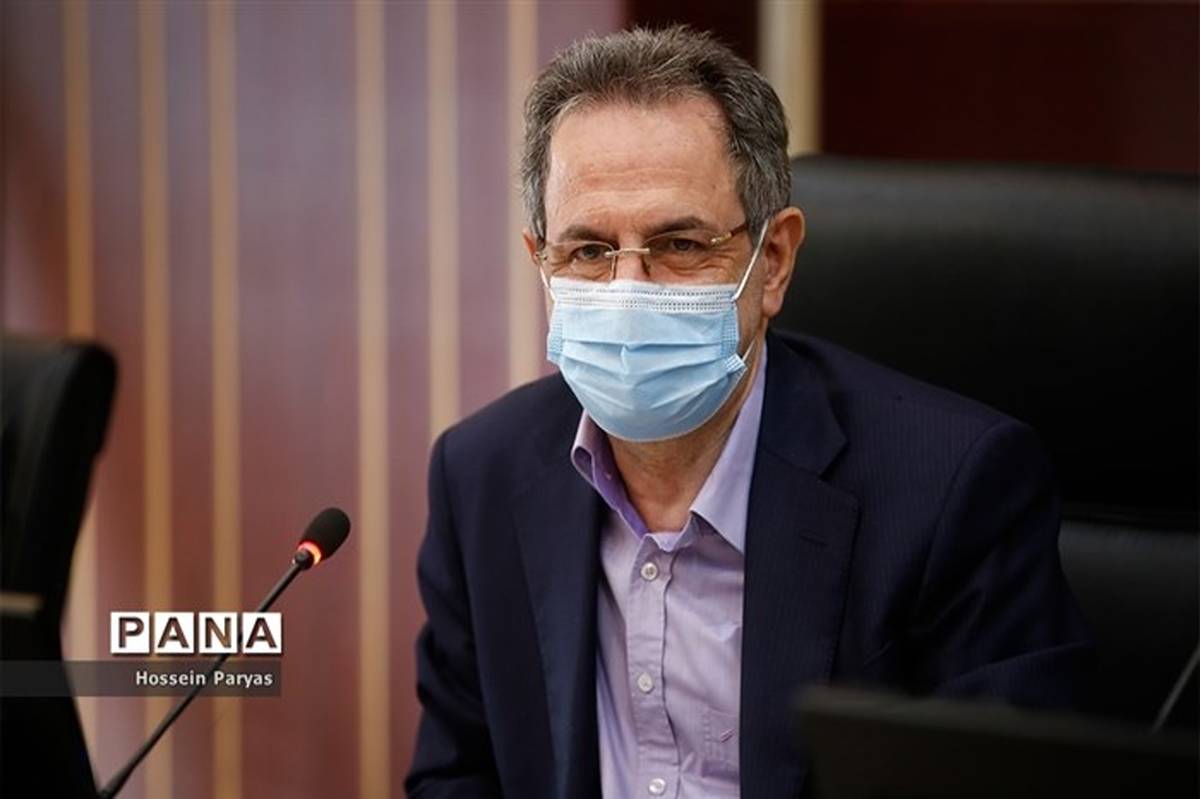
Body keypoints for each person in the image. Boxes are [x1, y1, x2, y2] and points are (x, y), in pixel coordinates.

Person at [405, 26, 1091, 799]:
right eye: (589, 251)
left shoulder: (951, 489)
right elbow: (455, 777)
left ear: (773, 261)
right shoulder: (481, 474)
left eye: (678, 243)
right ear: (541, 260)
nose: (629, 291)